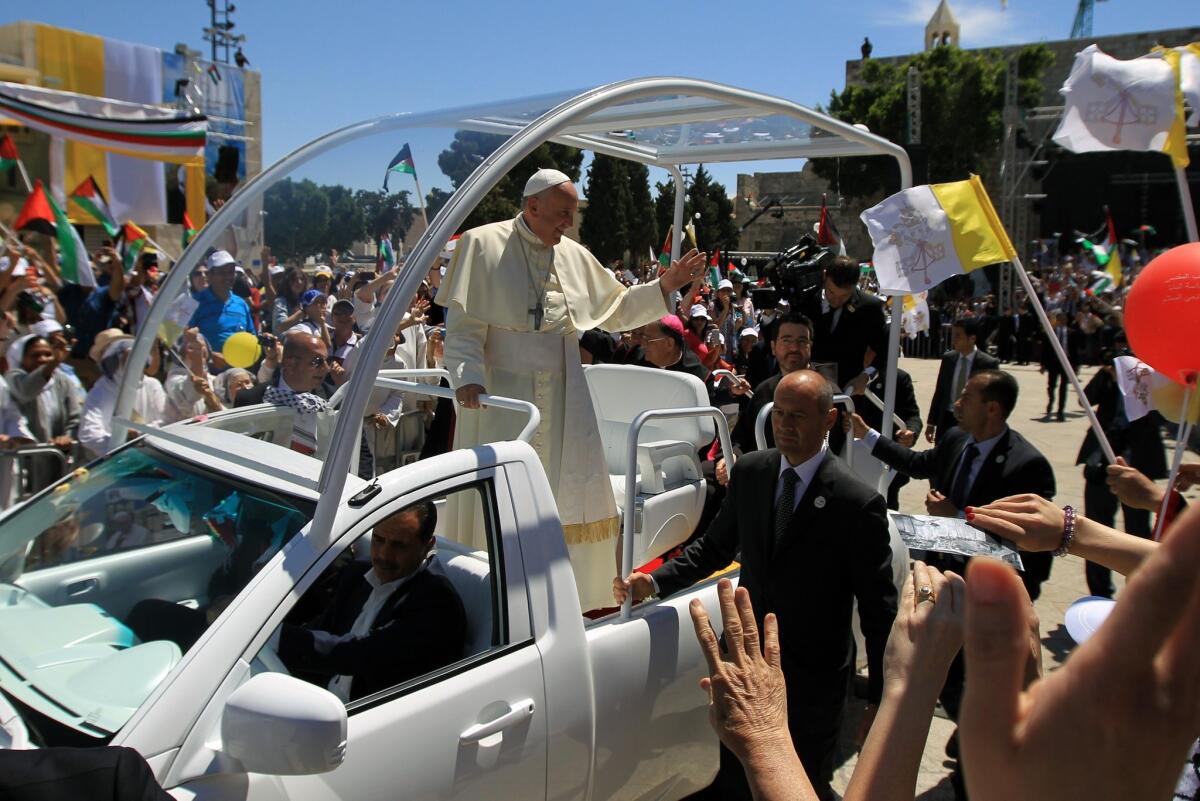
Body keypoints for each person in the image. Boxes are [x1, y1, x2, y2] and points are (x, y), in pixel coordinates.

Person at [616, 370, 897, 801]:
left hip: (811, 680)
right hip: (746, 666)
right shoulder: (752, 472)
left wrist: (881, 697)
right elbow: (713, 548)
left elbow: (879, 614)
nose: (785, 425)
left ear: (828, 420)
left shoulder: (857, 504)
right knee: (735, 777)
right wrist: (651, 582)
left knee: (799, 783)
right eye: (780, 413)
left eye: (798, 416)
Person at [436, 167, 703, 610]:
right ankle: (494, 592)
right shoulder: (481, 244)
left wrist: (666, 285)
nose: (568, 223)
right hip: (502, 393)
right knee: (503, 490)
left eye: (572, 214)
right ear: (532, 206)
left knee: (566, 493)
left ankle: (564, 594)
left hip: (564, 392)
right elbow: (463, 327)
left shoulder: (573, 254)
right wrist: (467, 378)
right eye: (561, 213)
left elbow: (616, 310)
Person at [277, 501, 466, 702]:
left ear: (428, 545)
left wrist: (278, 639)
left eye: (399, 545)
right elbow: (321, 629)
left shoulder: (438, 603)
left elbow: (362, 654)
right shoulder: (357, 574)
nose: (384, 555)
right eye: (378, 540)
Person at [1075, 352, 1167, 597]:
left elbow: (1164, 418)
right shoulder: (1109, 377)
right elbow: (1084, 399)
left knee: (1138, 533)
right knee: (1095, 532)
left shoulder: (1152, 380)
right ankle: (1099, 593)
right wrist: (1105, 375)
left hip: (1138, 465)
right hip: (1101, 464)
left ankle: (1140, 593)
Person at [800, 255, 888, 391]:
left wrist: (866, 376)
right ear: (825, 276)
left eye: (844, 296)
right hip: (804, 387)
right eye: (831, 292)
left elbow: (884, 353)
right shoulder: (805, 301)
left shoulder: (870, 308)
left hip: (848, 391)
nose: (836, 301)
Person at [5, 333, 80, 493]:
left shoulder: (63, 381)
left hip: (56, 459)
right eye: (35, 355)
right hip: (26, 462)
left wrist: (67, 437)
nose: (43, 359)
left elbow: (75, 418)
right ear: (21, 357)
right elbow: (26, 391)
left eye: (47, 354)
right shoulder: (13, 378)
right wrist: (53, 364)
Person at [78, 329, 167, 459]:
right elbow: (89, 433)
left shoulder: (152, 385)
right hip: (115, 462)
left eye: (137, 357)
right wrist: (119, 439)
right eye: (127, 357)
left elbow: (166, 421)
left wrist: (138, 433)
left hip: (152, 456)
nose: (134, 363)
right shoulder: (99, 391)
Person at [925, 317, 999, 445]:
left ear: (972, 338)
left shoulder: (988, 364)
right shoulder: (949, 359)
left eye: (958, 336)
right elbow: (940, 391)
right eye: (953, 335)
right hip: (947, 418)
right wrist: (931, 422)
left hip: (972, 420)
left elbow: (992, 399)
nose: (954, 340)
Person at [188, 250, 256, 361]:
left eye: (231, 272)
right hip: (206, 373)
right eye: (221, 272)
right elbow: (183, 339)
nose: (227, 276)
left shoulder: (241, 304)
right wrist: (211, 356)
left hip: (239, 370)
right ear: (209, 275)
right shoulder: (194, 303)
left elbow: (251, 337)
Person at [1039, 310, 1081, 422]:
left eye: (1064, 318)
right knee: (1051, 385)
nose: (1063, 320)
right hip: (1053, 362)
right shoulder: (1050, 332)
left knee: (1064, 387)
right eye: (1060, 318)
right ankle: (1051, 400)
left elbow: (1075, 350)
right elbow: (1045, 350)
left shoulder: (1071, 333)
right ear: (1057, 320)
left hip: (1066, 362)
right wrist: (1043, 364)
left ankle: (1060, 411)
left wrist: (1076, 366)